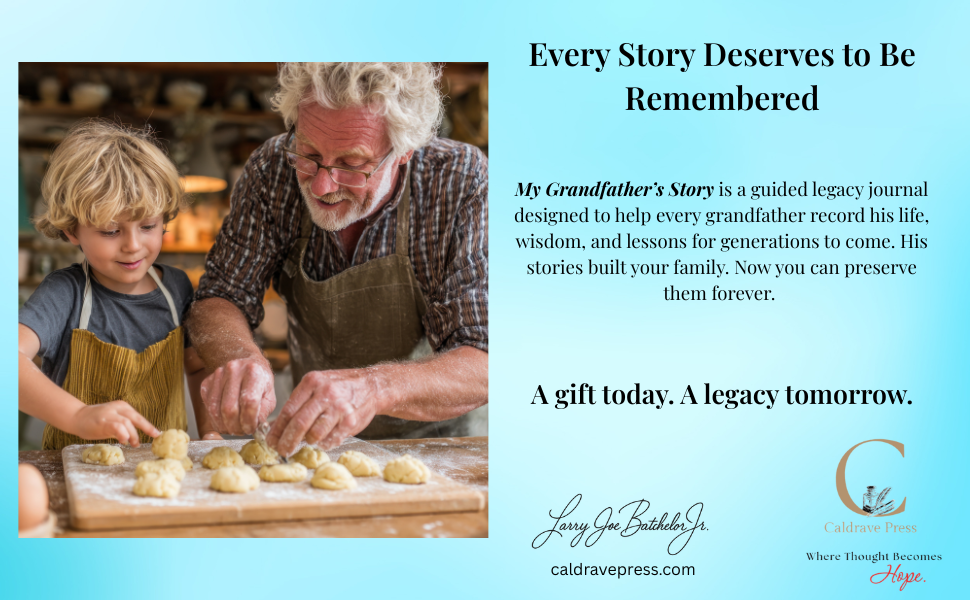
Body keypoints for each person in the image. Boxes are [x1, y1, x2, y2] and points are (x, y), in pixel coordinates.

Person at [189, 62, 488, 456]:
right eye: (309, 154)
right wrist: (240, 357)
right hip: (319, 446)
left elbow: (486, 359)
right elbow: (220, 297)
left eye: (351, 164)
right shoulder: (273, 168)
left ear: (403, 152)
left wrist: (372, 388)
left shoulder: (460, 181)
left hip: (440, 450)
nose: (322, 185)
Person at [18, 120, 211, 450]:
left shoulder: (176, 287)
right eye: (110, 231)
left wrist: (210, 434)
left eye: (148, 226)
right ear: (72, 231)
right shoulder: (65, 294)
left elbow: (196, 368)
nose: (133, 245)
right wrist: (78, 415)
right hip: (76, 476)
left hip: (163, 474)